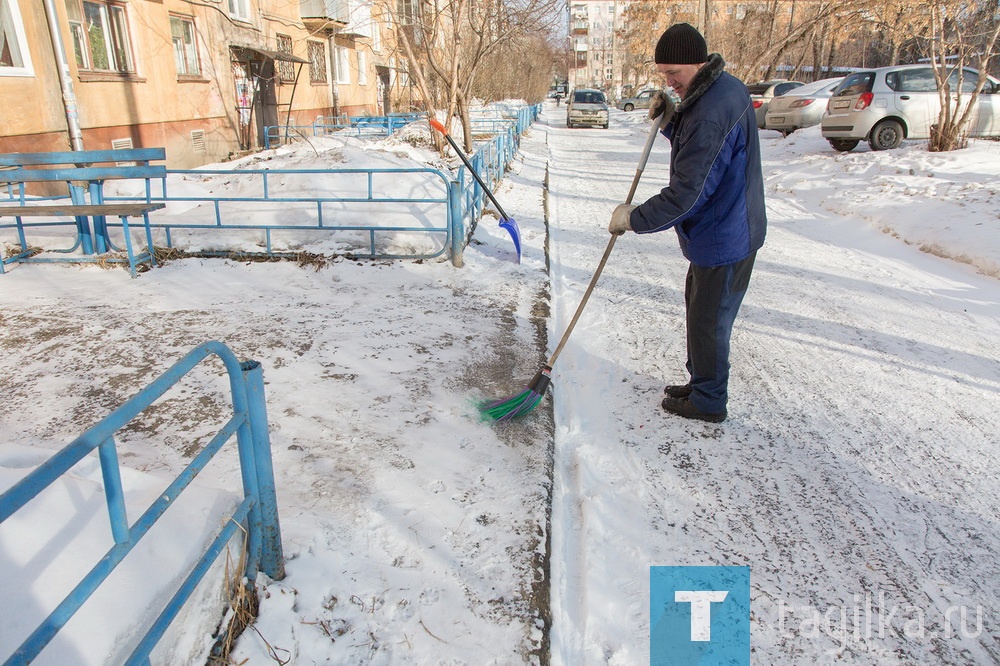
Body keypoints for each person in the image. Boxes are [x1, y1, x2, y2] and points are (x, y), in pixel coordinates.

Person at [607, 23, 766, 423]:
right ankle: (702, 384)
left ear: (697, 63)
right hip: (721, 228)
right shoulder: (718, 89)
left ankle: (709, 401)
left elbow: (688, 194)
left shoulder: (713, 109)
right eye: (662, 73)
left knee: (709, 322)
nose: (668, 81)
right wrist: (671, 120)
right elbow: (699, 145)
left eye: (673, 73)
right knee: (700, 313)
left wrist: (633, 218)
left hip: (724, 233)